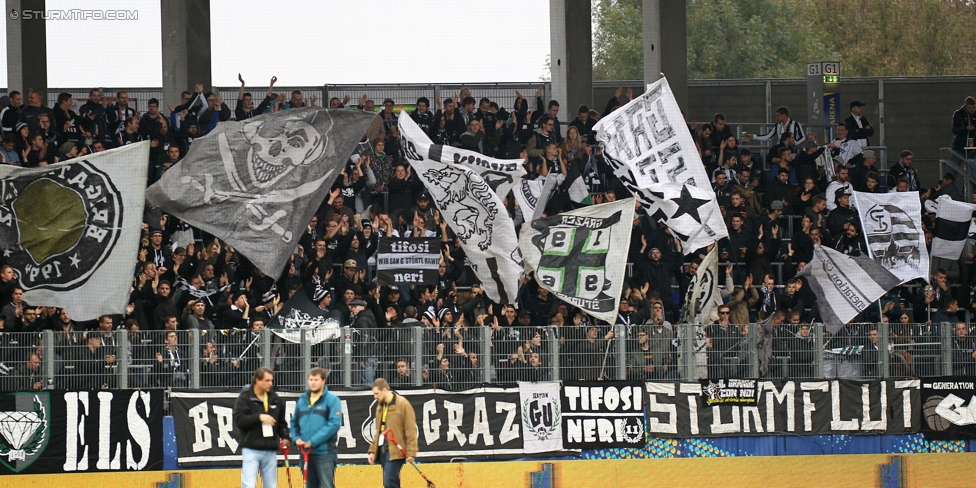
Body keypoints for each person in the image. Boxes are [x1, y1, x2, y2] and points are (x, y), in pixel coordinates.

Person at [234, 367, 290, 488]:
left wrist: (285, 436)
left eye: (271, 380)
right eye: (267, 380)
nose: (271, 384)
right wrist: (259, 417)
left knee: (271, 485)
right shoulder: (245, 398)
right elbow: (239, 420)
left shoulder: (275, 399)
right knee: (248, 484)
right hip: (251, 448)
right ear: (257, 381)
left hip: (270, 448)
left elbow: (281, 422)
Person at [291, 367, 343, 488]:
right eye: (311, 379)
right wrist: (296, 438)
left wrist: (313, 442)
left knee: (326, 485)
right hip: (305, 454)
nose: (313, 382)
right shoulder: (302, 400)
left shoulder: (332, 400)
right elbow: (294, 423)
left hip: (325, 454)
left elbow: (334, 424)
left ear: (323, 381)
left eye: (316, 379)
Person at [368, 378, 418, 488]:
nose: (375, 397)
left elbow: (410, 429)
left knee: (389, 482)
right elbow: (379, 431)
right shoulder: (380, 406)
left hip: (396, 450)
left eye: (376, 393)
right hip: (383, 450)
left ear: (384, 390)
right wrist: (372, 450)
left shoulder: (402, 403)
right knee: (392, 481)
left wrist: (411, 452)